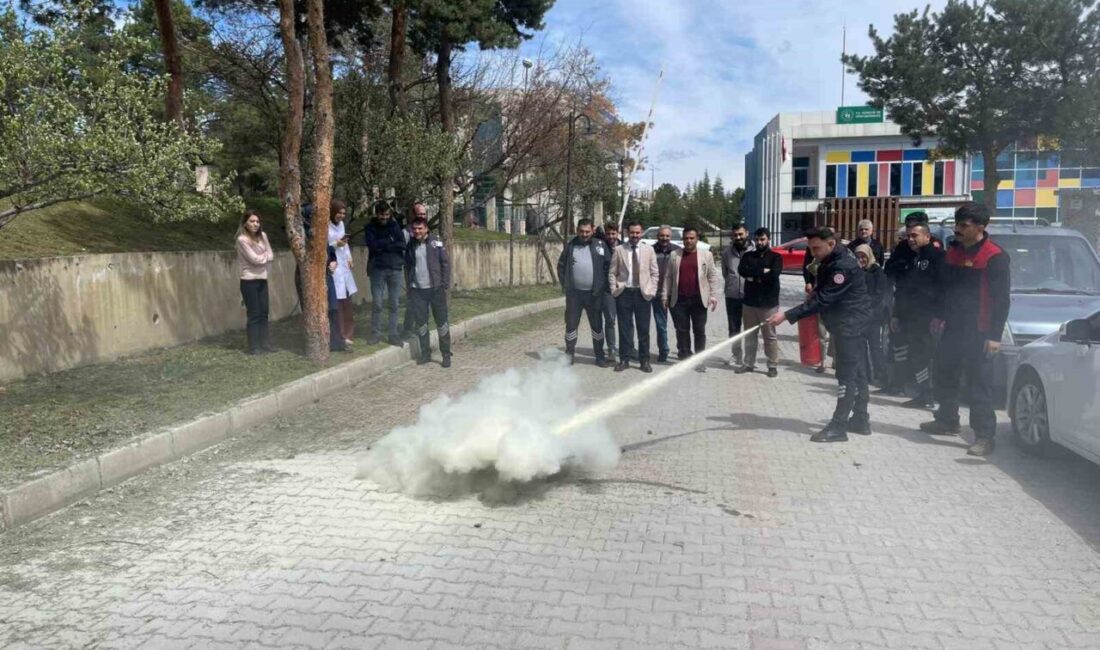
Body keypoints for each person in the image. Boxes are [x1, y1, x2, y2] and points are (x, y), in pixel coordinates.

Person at [920, 202, 1010, 457]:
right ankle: (947, 420)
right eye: (956, 224)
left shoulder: (995, 256)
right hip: (953, 327)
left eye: (964, 225)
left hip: (980, 331)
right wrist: (938, 315)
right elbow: (943, 288)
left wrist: (994, 335)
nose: (957, 229)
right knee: (945, 374)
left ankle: (984, 436)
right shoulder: (953, 251)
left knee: (978, 384)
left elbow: (1002, 300)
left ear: (980, 227)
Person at [767, 227, 873, 442]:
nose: (812, 252)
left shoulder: (842, 266)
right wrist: (815, 291)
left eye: (816, 248)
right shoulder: (834, 258)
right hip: (852, 323)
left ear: (831, 244)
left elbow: (824, 299)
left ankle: (839, 427)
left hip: (850, 326)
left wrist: (787, 315)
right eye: (810, 248)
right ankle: (861, 420)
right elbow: (823, 290)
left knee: (846, 376)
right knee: (858, 373)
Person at [890, 222, 944, 408]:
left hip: (927, 318)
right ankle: (923, 394)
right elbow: (904, 289)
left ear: (927, 237)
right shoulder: (913, 258)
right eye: (908, 236)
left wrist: (938, 315)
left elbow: (943, 290)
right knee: (915, 356)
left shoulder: (938, 257)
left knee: (924, 356)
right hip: (911, 316)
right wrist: (897, 314)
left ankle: (929, 395)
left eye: (915, 236)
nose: (910, 239)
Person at [662, 227, 720, 371]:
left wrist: (713, 295)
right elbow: (668, 277)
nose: (688, 241)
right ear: (683, 239)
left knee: (699, 330)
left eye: (691, 238)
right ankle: (685, 355)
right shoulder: (674, 255)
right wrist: (665, 296)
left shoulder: (706, 255)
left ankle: (699, 360)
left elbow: (712, 276)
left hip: (699, 300)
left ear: (697, 239)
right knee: (682, 330)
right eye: (686, 238)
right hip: (679, 299)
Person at [557, 218, 610, 367]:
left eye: (587, 231)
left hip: (594, 295)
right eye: (581, 231)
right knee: (571, 325)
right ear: (577, 231)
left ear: (593, 230)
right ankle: (569, 354)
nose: (584, 234)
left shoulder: (600, 245)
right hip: (575, 296)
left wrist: (602, 286)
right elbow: (561, 266)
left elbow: (608, 266)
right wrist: (566, 285)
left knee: (597, 326)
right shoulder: (571, 246)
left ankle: (599, 356)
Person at [609, 221, 660, 373]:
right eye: (632, 232)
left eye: (637, 232)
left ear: (641, 232)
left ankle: (644, 360)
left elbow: (654, 273)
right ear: (627, 232)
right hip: (624, 293)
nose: (635, 235)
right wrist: (614, 289)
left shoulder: (648, 250)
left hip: (642, 294)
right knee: (624, 328)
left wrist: (652, 290)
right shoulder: (619, 250)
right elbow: (612, 272)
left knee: (643, 329)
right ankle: (624, 360)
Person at [404, 217, 452, 367]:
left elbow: (445, 263)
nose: (417, 231)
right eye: (415, 229)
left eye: (420, 228)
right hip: (418, 291)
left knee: (442, 323)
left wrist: (444, 284)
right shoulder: (410, 245)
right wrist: (409, 285)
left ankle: (446, 354)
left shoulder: (435, 242)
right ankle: (425, 354)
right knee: (421, 325)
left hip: (436, 290)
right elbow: (407, 266)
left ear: (426, 229)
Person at [737, 227, 783, 377]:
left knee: (769, 336)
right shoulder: (748, 256)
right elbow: (742, 271)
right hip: (749, 302)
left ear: (768, 239)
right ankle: (749, 363)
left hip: (768, 304)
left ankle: (772, 365)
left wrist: (754, 275)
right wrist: (762, 272)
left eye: (762, 239)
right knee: (750, 335)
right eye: (757, 239)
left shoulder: (776, 257)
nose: (759, 242)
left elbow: (774, 275)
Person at [365, 200, 407, 346]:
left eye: (387, 215)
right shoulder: (370, 227)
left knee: (394, 304)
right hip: (377, 269)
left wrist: (382, 244)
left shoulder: (394, 226)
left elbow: (402, 244)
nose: (384, 218)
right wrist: (390, 240)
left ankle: (393, 334)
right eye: (382, 215)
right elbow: (372, 246)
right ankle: (375, 334)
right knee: (377, 303)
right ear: (377, 214)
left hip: (395, 268)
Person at [235, 209, 275, 355]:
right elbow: (254, 259)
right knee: (254, 314)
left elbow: (271, 254)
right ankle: (254, 347)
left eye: (257, 221)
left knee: (264, 312)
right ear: (245, 223)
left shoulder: (263, 236)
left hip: (262, 279)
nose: (255, 224)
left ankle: (265, 343)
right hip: (248, 280)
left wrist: (263, 257)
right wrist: (264, 257)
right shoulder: (242, 240)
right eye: (252, 221)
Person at [855, 243, 890, 386]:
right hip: (859, 316)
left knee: (875, 347)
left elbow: (879, 293)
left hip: (873, 315)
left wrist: (865, 303)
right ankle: (865, 376)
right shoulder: (854, 272)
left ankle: (881, 375)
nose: (861, 259)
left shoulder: (877, 271)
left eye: (863, 256)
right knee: (861, 347)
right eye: (858, 257)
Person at [327, 200, 358, 347]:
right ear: (332, 211)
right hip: (334, 267)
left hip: (344, 266)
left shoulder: (341, 225)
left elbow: (345, 245)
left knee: (348, 303)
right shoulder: (326, 225)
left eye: (344, 213)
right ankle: (340, 335)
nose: (341, 216)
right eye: (339, 212)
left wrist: (350, 257)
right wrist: (335, 244)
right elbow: (324, 245)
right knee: (338, 304)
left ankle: (349, 333)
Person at [721, 224, 753, 368]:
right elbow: (725, 272)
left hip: (751, 296)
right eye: (735, 235)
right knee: (734, 328)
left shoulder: (755, 250)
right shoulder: (727, 252)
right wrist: (731, 284)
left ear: (747, 233)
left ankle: (749, 358)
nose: (738, 237)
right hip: (732, 296)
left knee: (750, 329)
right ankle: (736, 355)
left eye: (740, 234)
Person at [651, 226, 676, 363]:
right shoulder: (651, 251)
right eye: (662, 235)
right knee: (661, 325)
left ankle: (682, 349)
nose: (664, 238)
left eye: (667, 236)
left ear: (670, 237)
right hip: (657, 293)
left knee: (680, 325)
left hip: (674, 293)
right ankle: (663, 350)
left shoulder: (677, 251)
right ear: (657, 236)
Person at [401, 201, 426, 338]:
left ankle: (420, 327)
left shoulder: (427, 230)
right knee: (412, 300)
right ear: (413, 215)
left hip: (424, 271)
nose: (421, 216)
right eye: (419, 214)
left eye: (423, 214)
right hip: (411, 270)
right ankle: (408, 328)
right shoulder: (405, 233)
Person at [600, 223, 621, 363]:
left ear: (617, 233)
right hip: (607, 290)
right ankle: (612, 349)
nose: (611, 236)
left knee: (627, 321)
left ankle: (628, 347)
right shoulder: (600, 247)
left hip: (624, 289)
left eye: (613, 233)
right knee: (610, 319)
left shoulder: (624, 247)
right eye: (608, 234)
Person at [325, 243, 347, 352]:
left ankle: (337, 343)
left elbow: (332, 256)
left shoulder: (327, 245)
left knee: (333, 310)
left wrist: (333, 263)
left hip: (328, 278)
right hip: (316, 280)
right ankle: (327, 342)